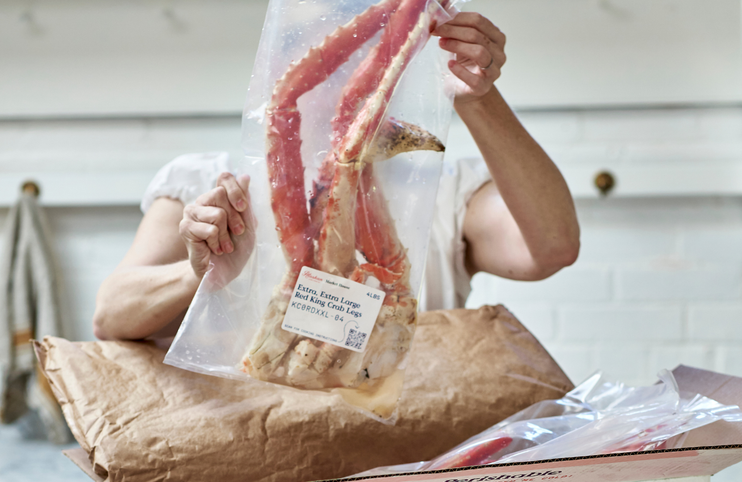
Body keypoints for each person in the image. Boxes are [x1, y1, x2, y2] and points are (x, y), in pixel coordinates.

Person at [93, 12, 580, 343]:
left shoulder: (440, 189)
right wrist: (197, 274)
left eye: (361, 57)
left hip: (408, 447)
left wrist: (474, 94)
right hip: (253, 448)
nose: (337, 74)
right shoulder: (210, 186)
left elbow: (551, 248)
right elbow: (110, 317)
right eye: (307, 49)